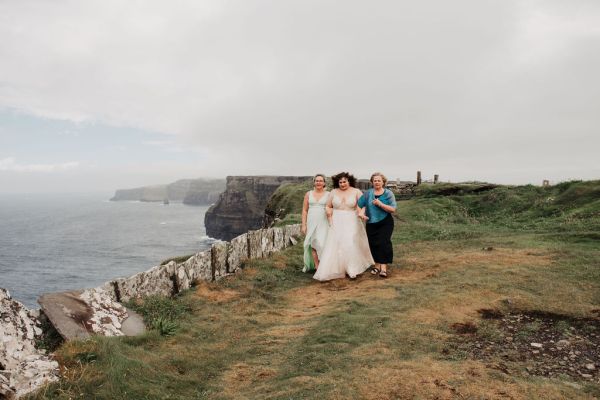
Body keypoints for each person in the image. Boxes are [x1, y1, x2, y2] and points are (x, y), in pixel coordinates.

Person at [313, 172, 374, 281]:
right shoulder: (333, 192)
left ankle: (352, 269)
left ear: (349, 181)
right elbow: (328, 206)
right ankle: (339, 268)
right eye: (340, 182)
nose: (342, 184)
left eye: (344, 182)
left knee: (350, 243)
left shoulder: (356, 191)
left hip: (352, 219)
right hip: (336, 220)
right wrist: (329, 215)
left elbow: (363, 204)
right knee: (337, 244)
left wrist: (361, 213)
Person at [358, 172, 397, 277]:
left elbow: (393, 209)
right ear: (372, 182)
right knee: (373, 244)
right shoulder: (367, 193)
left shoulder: (388, 193)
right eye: (375, 180)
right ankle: (376, 266)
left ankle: (383, 269)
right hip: (371, 223)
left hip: (386, 222)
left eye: (379, 180)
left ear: (383, 182)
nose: (377, 182)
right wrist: (361, 213)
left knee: (383, 243)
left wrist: (380, 204)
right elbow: (360, 205)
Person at [301, 174, 330, 272]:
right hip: (311, 221)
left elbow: (331, 208)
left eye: (321, 181)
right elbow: (304, 210)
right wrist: (304, 225)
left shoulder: (329, 194)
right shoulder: (308, 194)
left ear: (324, 183)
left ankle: (324, 265)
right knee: (313, 243)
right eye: (317, 181)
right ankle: (317, 267)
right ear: (314, 182)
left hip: (324, 221)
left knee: (322, 243)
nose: (318, 182)